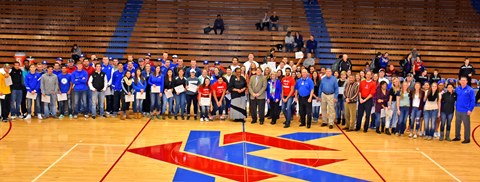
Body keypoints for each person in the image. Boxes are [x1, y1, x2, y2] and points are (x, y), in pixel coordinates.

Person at [453, 77, 475, 144]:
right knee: (457, 124)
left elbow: (473, 100)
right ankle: (457, 137)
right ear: (459, 81)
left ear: (466, 81)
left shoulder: (470, 90)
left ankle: (467, 138)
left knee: (466, 125)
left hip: (466, 111)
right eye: (461, 80)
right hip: (458, 110)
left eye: (464, 80)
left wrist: (470, 109)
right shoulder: (457, 89)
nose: (462, 81)